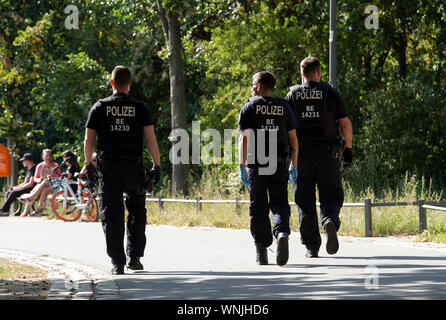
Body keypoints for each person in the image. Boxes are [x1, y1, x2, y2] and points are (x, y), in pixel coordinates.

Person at [84, 65, 161, 275]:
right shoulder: (140, 108)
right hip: (133, 167)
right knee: (137, 211)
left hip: (108, 167)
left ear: (111, 83)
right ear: (130, 84)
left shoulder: (99, 107)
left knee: (111, 214)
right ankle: (134, 258)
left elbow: (89, 139)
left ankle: (117, 262)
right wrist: (157, 165)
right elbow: (150, 139)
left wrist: (87, 163)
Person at [285, 56, 353, 258]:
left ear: (301, 73)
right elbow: (345, 124)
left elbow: (286, 129)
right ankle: (330, 220)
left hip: (301, 155)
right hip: (328, 153)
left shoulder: (292, 95)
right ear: (319, 72)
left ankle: (312, 246)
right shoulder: (330, 93)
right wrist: (348, 148)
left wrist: (287, 155)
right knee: (331, 194)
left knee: (304, 200)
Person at [238, 71, 298, 266]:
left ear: (259, 87)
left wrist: (242, 166)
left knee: (258, 208)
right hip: (280, 163)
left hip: (256, 164)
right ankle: (281, 232)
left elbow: (243, 138)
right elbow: (293, 138)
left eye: (253, 84)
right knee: (280, 203)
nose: (251, 87)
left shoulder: (249, 107)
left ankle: (261, 252)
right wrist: (294, 165)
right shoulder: (284, 106)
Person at [20, 149, 62, 217]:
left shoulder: (55, 165)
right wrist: (39, 179)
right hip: (42, 186)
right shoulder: (39, 166)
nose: (48, 157)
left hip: (53, 186)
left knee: (40, 186)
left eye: (50, 155)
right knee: (39, 188)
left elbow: (59, 178)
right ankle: (29, 211)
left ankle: (31, 199)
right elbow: (35, 178)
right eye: (46, 155)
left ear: (52, 157)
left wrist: (51, 177)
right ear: (43, 156)